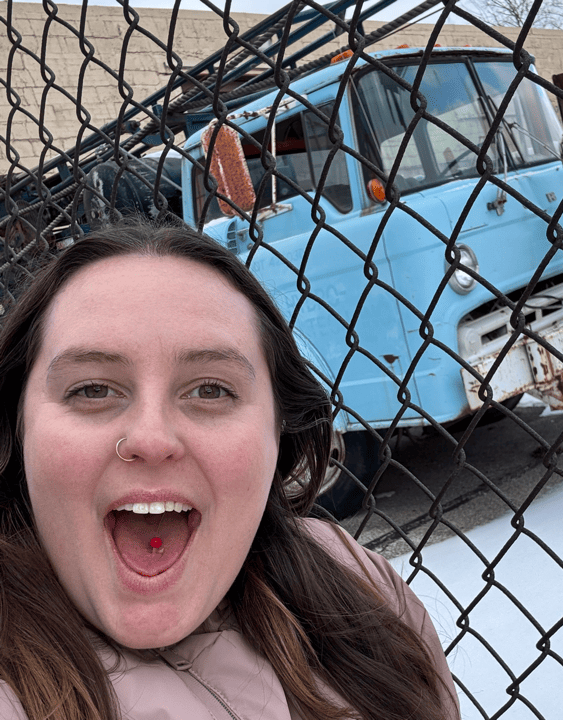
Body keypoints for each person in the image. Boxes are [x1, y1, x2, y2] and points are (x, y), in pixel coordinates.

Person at [0, 217, 460, 720]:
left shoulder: (358, 581)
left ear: (277, 430)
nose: (152, 439)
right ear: (17, 428)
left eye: (210, 390)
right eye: (92, 389)